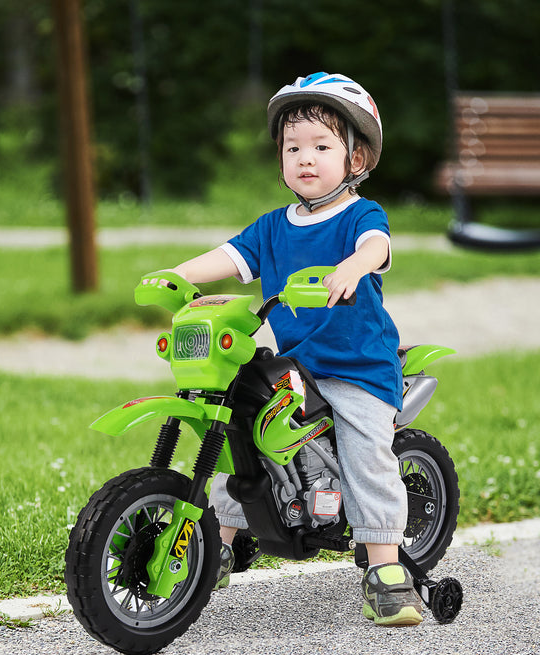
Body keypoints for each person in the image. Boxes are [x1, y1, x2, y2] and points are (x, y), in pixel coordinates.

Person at [163, 72, 423, 626]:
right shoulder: (272, 226)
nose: (306, 158)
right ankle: (223, 542)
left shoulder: (359, 215)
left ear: (357, 158)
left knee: (366, 454)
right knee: (243, 436)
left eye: (322, 146)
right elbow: (231, 258)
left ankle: (385, 566)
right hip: (294, 364)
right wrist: (176, 275)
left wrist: (354, 266)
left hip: (356, 367)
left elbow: (377, 245)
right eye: (293, 147)